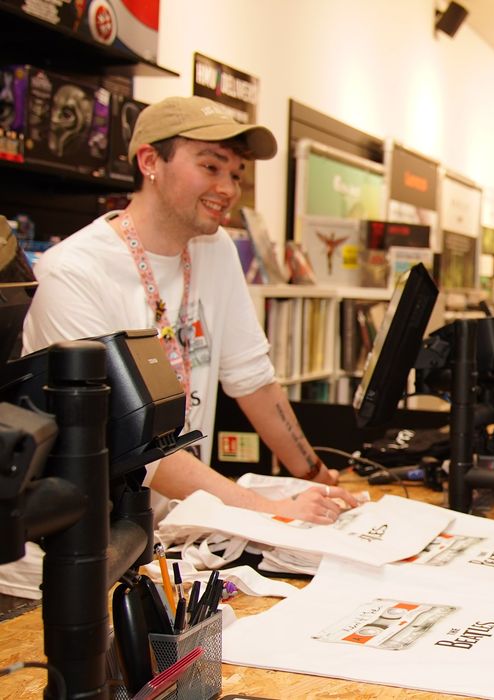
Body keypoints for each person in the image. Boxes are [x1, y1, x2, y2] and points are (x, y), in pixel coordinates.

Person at [21, 96, 356, 525]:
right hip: (85, 545)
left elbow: (253, 380)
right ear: (150, 162)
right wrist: (271, 510)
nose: (228, 189)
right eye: (211, 167)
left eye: (236, 174)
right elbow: (130, 439)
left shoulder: (214, 249)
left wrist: (318, 480)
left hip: (176, 531)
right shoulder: (72, 272)